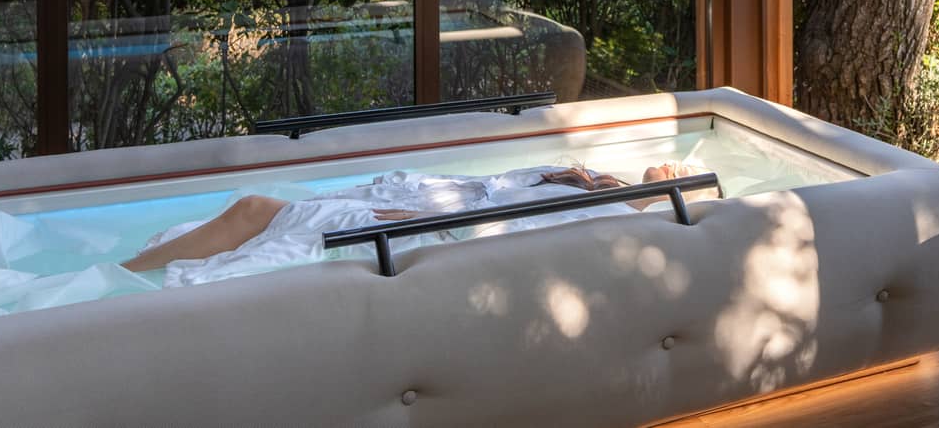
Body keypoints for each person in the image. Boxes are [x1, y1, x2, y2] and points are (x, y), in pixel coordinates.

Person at [123, 162, 713, 287]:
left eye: (679, 171)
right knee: (251, 212)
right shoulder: (575, 180)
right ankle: (126, 273)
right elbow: (492, 185)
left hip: (420, 229)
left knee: (253, 213)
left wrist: (421, 212)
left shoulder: (611, 218)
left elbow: (503, 235)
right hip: (421, 206)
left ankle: (122, 278)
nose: (667, 165)